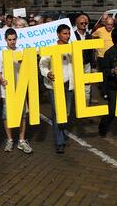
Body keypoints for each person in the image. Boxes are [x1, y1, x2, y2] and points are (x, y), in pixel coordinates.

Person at [39, 24, 74, 154]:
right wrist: (47, 73)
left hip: (68, 84)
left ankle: (63, 132)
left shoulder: (71, 48)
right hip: (55, 86)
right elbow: (42, 64)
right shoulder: (51, 49)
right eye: (65, 33)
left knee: (67, 112)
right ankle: (59, 142)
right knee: (58, 113)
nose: (67, 36)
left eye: (68, 33)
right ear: (58, 34)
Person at [0, 28, 33, 153]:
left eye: (14, 39)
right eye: (9, 40)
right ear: (5, 40)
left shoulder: (21, 51)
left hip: (20, 88)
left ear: (16, 39)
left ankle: (22, 140)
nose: (12, 42)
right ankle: (10, 139)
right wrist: (2, 80)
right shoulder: (1, 53)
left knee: (23, 114)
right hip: (7, 89)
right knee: (6, 115)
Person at [92, 16, 114, 99]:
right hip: (102, 56)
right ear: (105, 24)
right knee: (103, 76)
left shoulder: (114, 31)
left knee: (111, 76)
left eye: (111, 24)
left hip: (112, 57)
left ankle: (110, 91)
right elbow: (92, 36)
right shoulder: (100, 30)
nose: (109, 26)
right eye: (108, 24)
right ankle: (104, 92)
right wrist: (96, 47)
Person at [74, 13, 94, 105]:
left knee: (87, 86)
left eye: (85, 23)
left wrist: (92, 65)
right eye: (82, 23)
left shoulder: (89, 36)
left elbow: (91, 52)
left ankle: (86, 105)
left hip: (87, 64)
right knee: (77, 86)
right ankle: (78, 105)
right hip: (76, 64)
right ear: (77, 24)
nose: (84, 25)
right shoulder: (72, 36)